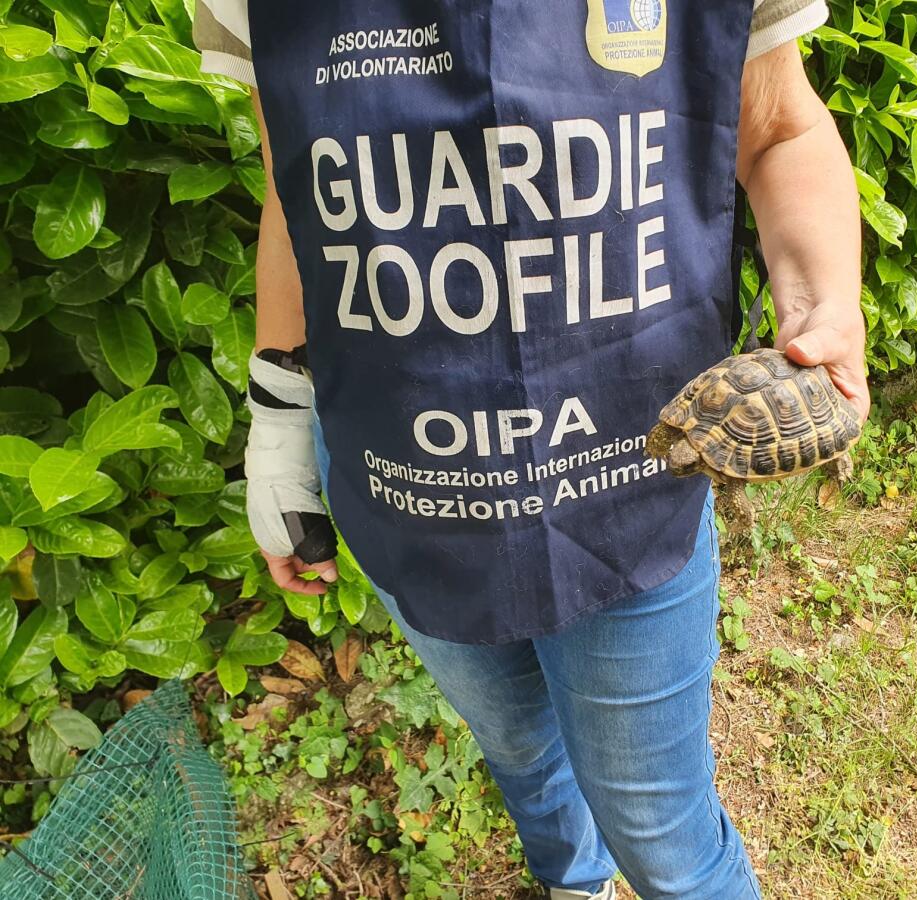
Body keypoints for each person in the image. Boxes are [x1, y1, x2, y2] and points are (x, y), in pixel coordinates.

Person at [195, 1, 867, 897]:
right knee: (515, 744)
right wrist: (278, 418)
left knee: (659, 827)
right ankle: (571, 880)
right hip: (413, 480)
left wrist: (827, 307)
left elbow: (779, 125)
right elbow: (299, 193)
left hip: (628, 469)